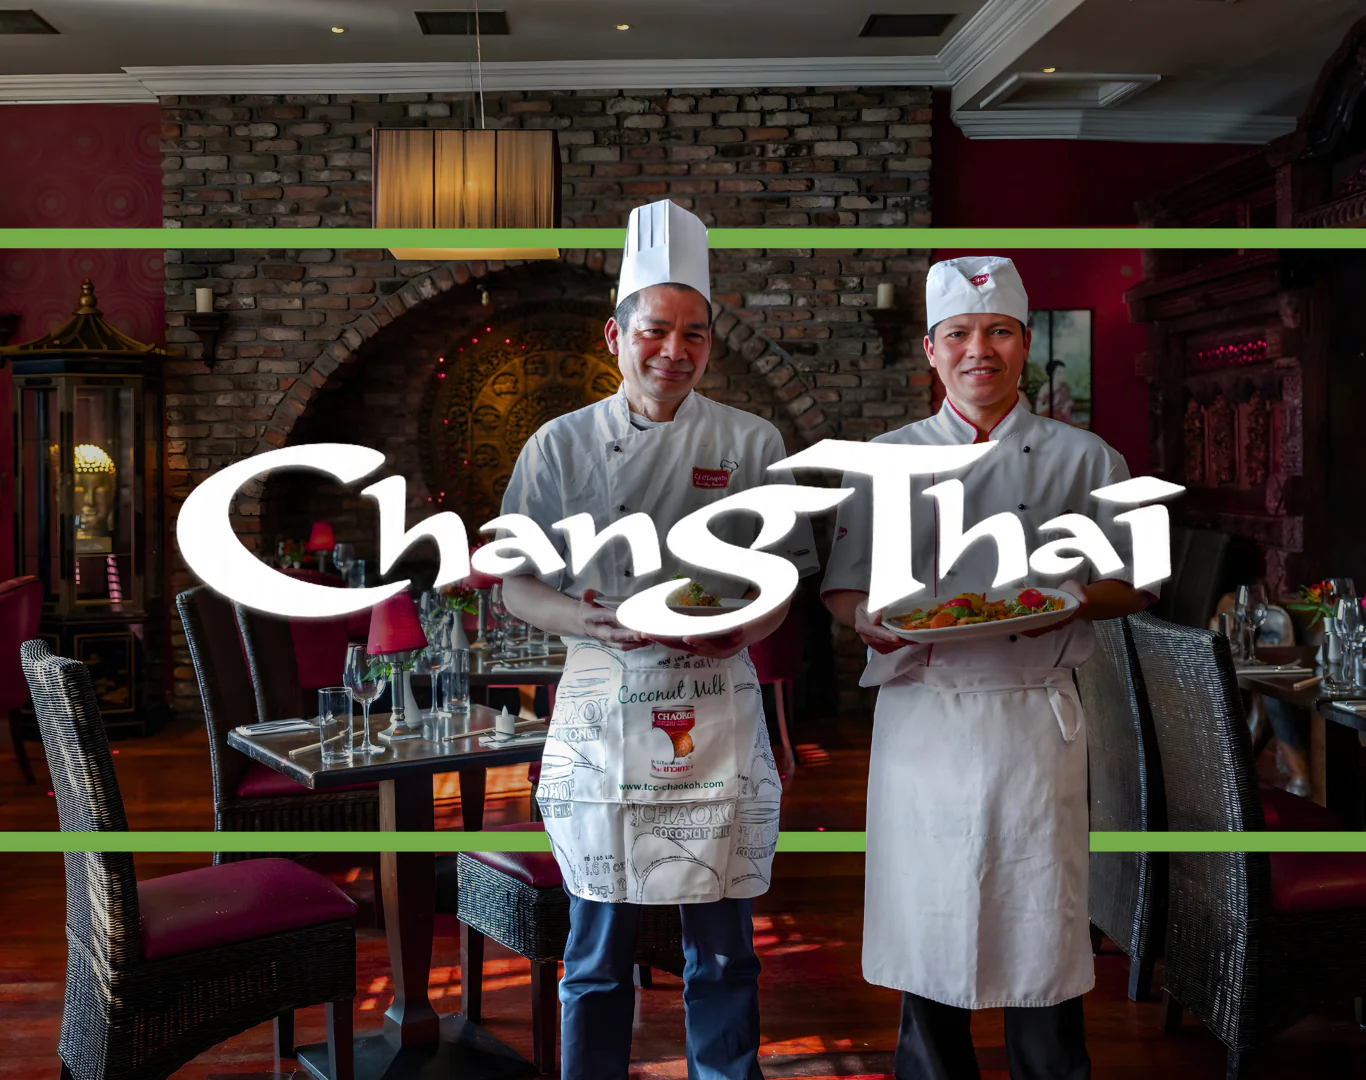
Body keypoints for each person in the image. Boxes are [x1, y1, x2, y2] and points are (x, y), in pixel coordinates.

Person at [498, 199, 819, 1080]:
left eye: (693, 335)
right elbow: (517, 585)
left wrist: (743, 626)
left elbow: (783, 581)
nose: (674, 351)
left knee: (723, 945)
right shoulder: (558, 446)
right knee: (596, 947)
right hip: (602, 711)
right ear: (615, 336)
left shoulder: (751, 441)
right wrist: (588, 620)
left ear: (710, 345)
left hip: (715, 712)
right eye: (654, 331)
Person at [820, 256, 1156, 1080]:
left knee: (1040, 918)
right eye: (960, 334)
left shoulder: (1091, 458)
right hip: (924, 716)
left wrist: (1078, 597)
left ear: (1024, 343)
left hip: (1032, 718)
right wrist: (864, 619)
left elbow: (1139, 582)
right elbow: (845, 588)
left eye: (999, 331)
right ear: (931, 351)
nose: (980, 350)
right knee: (930, 917)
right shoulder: (884, 458)